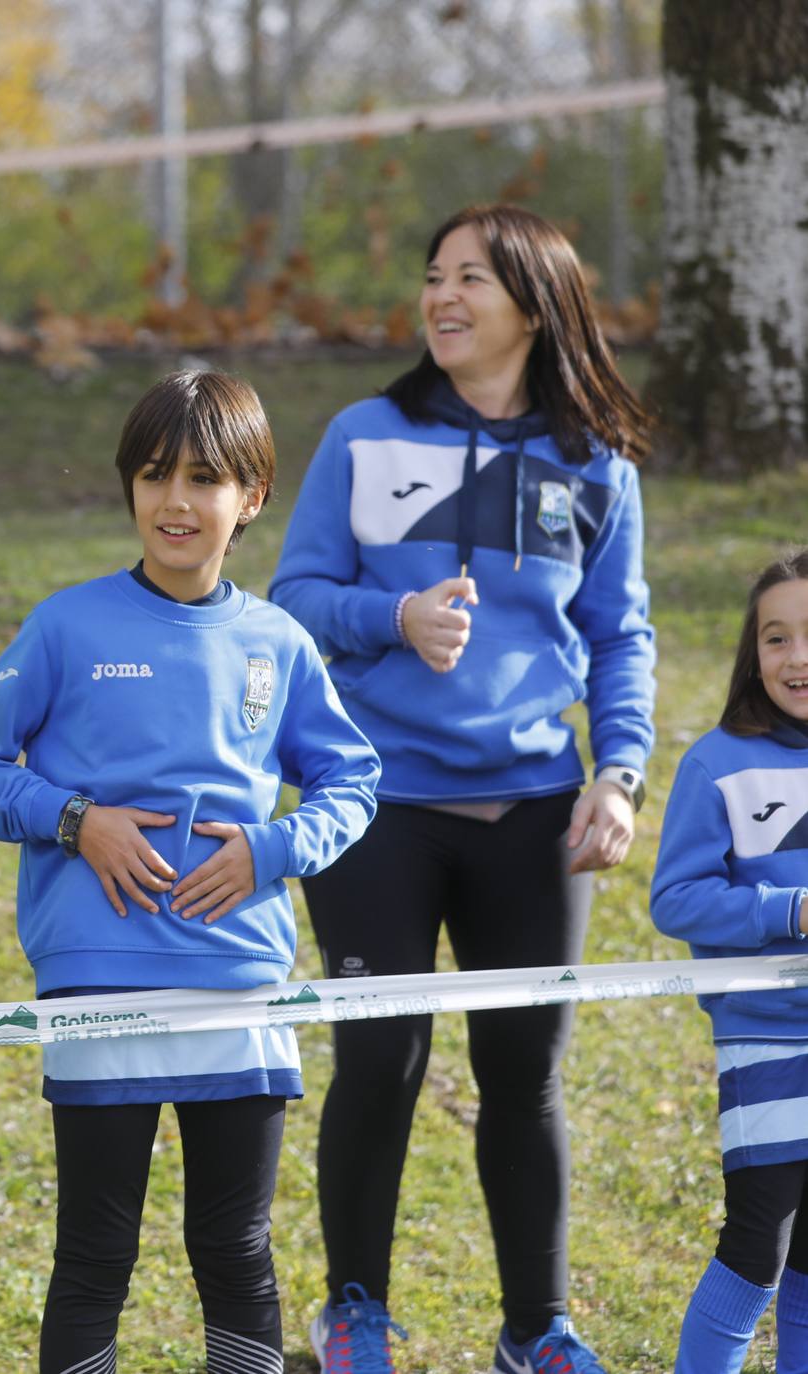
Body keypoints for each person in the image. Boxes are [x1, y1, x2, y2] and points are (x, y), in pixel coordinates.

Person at [269, 204, 656, 1373]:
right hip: (375, 806)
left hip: (536, 812)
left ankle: (536, 1329)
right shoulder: (363, 433)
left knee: (523, 1078)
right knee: (378, 1063)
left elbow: (621, 635)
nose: (442, 297)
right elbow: (292, 599)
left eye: (471, 279)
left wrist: (621, 773)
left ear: (535, 304)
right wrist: (392, 618)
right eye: (432, 275)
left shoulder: (597, 467)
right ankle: (354, 1315)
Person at [0, 370, 380, 1374]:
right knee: (96, 1254)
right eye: (153, 475)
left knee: (235, 1247)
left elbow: (353, 783)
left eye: (205, 479)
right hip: (101, 985)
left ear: (253, 498)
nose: (176, 502)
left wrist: (273, 849)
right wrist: (74, 819)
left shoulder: (278, 642)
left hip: (238, 986)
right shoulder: (67, 625)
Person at [652, 551, 808, 1374]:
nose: (796, 657)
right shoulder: (716, 762)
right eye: (775, 638)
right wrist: (788, 911)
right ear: (752, 656)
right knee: (757, 1247)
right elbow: (675, 899)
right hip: (765, 1043)